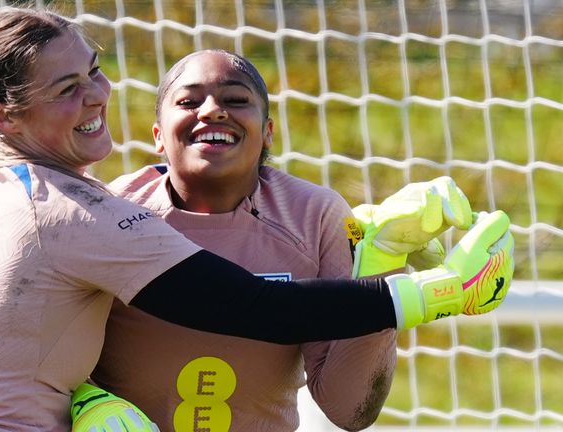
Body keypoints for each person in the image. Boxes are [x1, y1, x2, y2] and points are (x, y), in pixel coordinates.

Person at [0, 7, 514, 432]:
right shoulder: (85, 210)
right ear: (6, 117)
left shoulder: (5, 188)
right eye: (67, 87)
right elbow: (253, 307)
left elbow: (17, 342)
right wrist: (439, 293)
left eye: (93, 69)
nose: (95, 93)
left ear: (270, 129)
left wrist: (379, 256)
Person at [90, 49, 393, 432]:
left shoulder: (315, 215)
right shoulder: (109, 212)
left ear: (268, 132)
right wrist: (87, 401)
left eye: (235, 100)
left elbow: (350, 410)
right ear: (158, 137)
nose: (213, 111)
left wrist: (385, 268)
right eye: (188, 101)